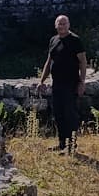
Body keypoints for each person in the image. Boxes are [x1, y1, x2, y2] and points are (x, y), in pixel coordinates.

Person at [37, 14, 87, 152]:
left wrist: (82, 82)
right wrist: (42, 80)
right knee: (58, 113)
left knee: (70, 114)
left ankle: (71, 145)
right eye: (59, 24)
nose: (62, 26)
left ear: (69, 25)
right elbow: (49, 61)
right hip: (57, 84)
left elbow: (83, 61)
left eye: (64, 23)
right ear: (56, 26)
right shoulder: (53, 40)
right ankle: (62, 144)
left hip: (71, 84)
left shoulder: (75, 41)